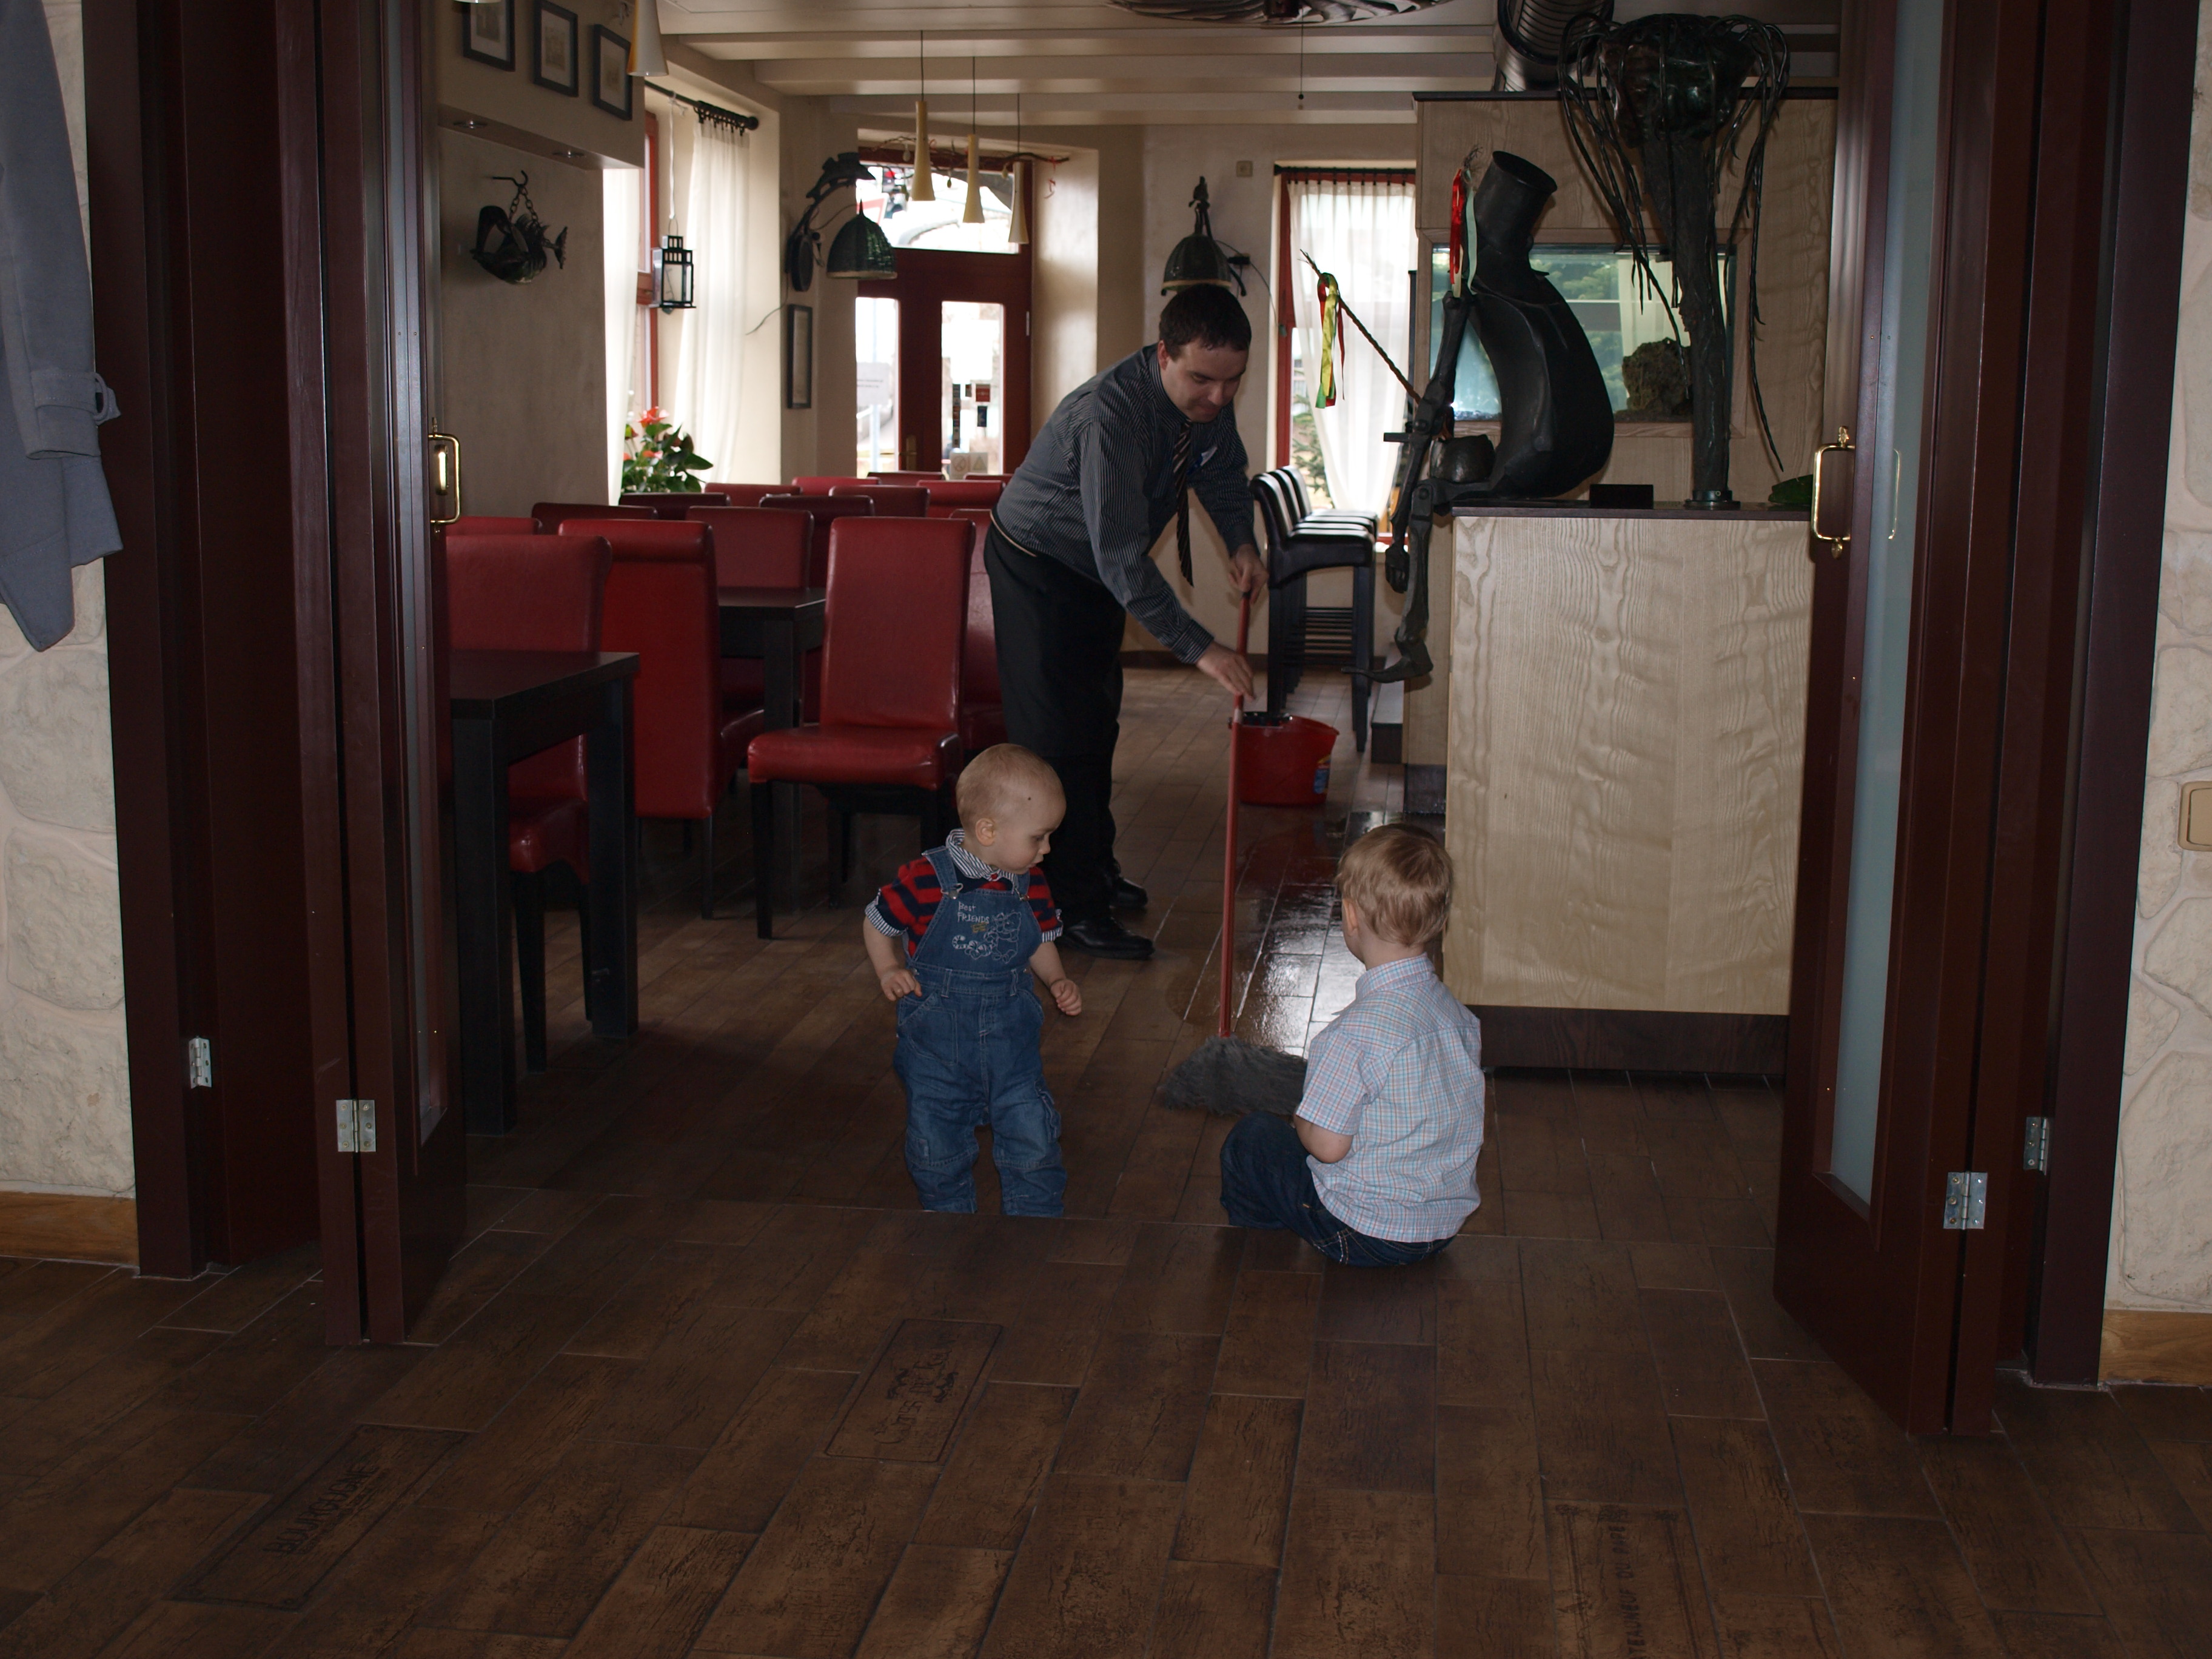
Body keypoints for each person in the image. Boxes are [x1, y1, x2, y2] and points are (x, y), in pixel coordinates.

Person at [987, 283, 1267, 960]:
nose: (1219, 397)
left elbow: (1220, 472)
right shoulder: (1109, 418)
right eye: (1203, 380)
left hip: (1093, 572)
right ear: (1165, 354)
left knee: (1096, 725)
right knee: (1056, 742)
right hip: (1039, 565)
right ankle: (1067, 910)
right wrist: (1201, 648)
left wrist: (1241, 541)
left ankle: (1094, 870)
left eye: (1232, 381)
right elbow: (1120, 556)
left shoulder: (1205, 398)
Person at [1216, 825, 1484, 1263]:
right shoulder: (1458, 1018)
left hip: (1363, 1232)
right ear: (1438, 921)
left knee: (1254, 1137)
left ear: (1351, 916)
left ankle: (1262, 1238)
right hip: (1439, 1226)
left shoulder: (1351, 1036)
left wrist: (1303, 1119)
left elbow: (1326, 1147)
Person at [864, 745, 1084, 1216]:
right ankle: (948, 1214)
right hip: (936, 1049)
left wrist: (1057, 979)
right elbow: (877, 921)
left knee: (1032, 1136)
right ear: (987, 831)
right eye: (1038, 837)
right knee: (937, 1143)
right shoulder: (926, 879)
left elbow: (1039, 940)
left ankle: (1036, 1217)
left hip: (1012, 1044)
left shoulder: (1029, 881)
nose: (1046, 849)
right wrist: (889, 969)